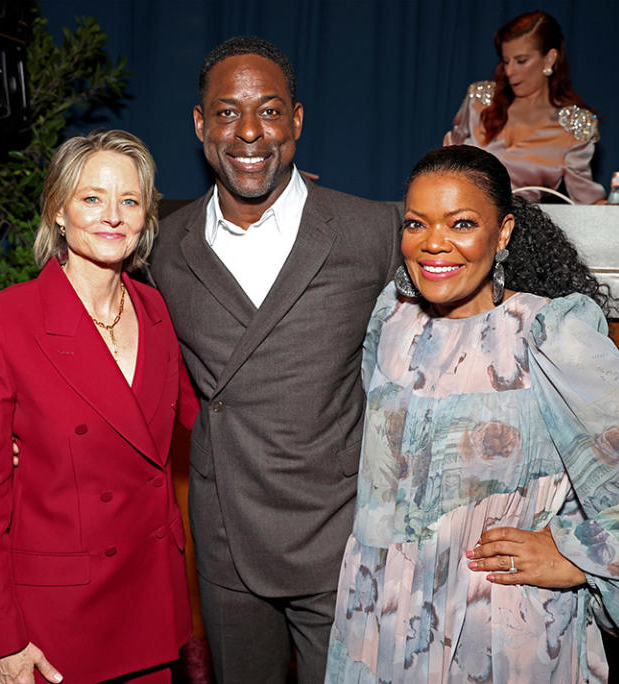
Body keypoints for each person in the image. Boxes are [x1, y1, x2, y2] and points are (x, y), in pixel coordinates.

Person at [324, 145, 619, 682]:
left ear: (504, 231)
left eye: (461, 223)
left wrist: (576, 555)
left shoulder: (546, 332)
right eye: (417, 223)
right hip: (378, 616)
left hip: (493, 631)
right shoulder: (391, 318)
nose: (433, 243)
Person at [149, 36, 401, 684]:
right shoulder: (162, 245)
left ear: (296, 120)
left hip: (341, 533)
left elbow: (473, 314)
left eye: (268, 110)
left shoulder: (371, 229)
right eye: (228, 113)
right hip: (227, 532)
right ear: (201, 125)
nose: (250, 132)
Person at [0, 129, 198, 684]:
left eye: (129, 201)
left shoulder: (157, 311)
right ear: (58, 211)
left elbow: (204, 420)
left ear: (146, 217)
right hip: (55, 625)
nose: (112, 216)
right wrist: (1, 640)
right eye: (92, 198)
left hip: (150, 604)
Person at [444, 10, 606, 204]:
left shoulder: (573, 126)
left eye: (521, 61)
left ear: (549, 59)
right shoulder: (481, 100)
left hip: (522, 229)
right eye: (506, 61)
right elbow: (445, 163)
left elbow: (588, 200)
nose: (510, 71)